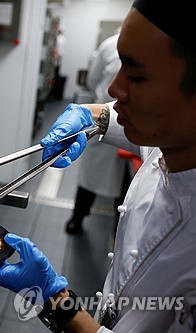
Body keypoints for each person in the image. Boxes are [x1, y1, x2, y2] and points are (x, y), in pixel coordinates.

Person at [0, 0, 196, 332]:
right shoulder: (172, 139)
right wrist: (91, 115)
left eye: (136, 76)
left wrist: (55, 299)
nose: (113, 88)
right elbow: (121, 116)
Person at [66, 32, 128, 234]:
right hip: (104, 118)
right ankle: (78, 217)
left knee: (127, 191)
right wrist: (92, 112)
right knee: (91, 176)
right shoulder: (110, 44)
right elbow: (93, 80)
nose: (116, 87)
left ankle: (118, 231)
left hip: (131, 124)